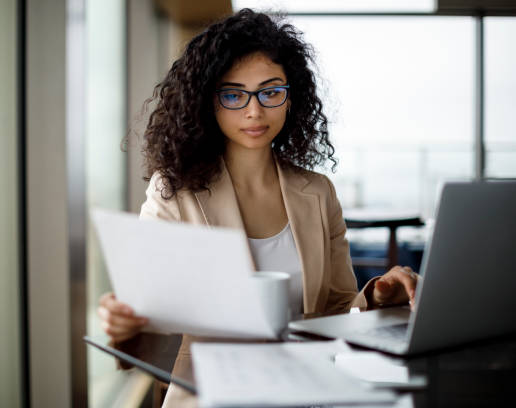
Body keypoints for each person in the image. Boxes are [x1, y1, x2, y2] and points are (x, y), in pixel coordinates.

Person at [97, 8, 419, 407]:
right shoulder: (174, 193)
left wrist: (378, 296)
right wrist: (127, 324)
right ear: (207, 102)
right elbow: (153, 323)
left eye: (270, 92)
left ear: (290, 97)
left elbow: (337, 308)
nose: (254, 111)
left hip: (307, 395)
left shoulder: (318, 193)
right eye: (233, 95)